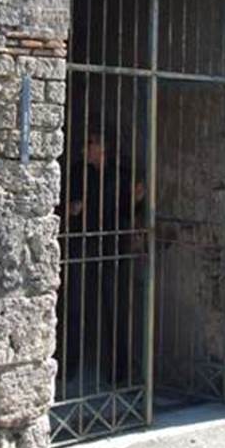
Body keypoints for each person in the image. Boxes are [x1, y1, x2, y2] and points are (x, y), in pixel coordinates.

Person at [56, 125, 145, 395]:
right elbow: (62, 204)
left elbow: (126, 211)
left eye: (90, 143)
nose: (84, 149)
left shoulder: (119, 176)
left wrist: (136, 200)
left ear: (102, 148)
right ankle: (65, 367)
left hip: (111, 246)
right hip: (82, 245)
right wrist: (70, 209)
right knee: (74, 306)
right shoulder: (78, 171)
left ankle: (118, 372)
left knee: (114, 309)